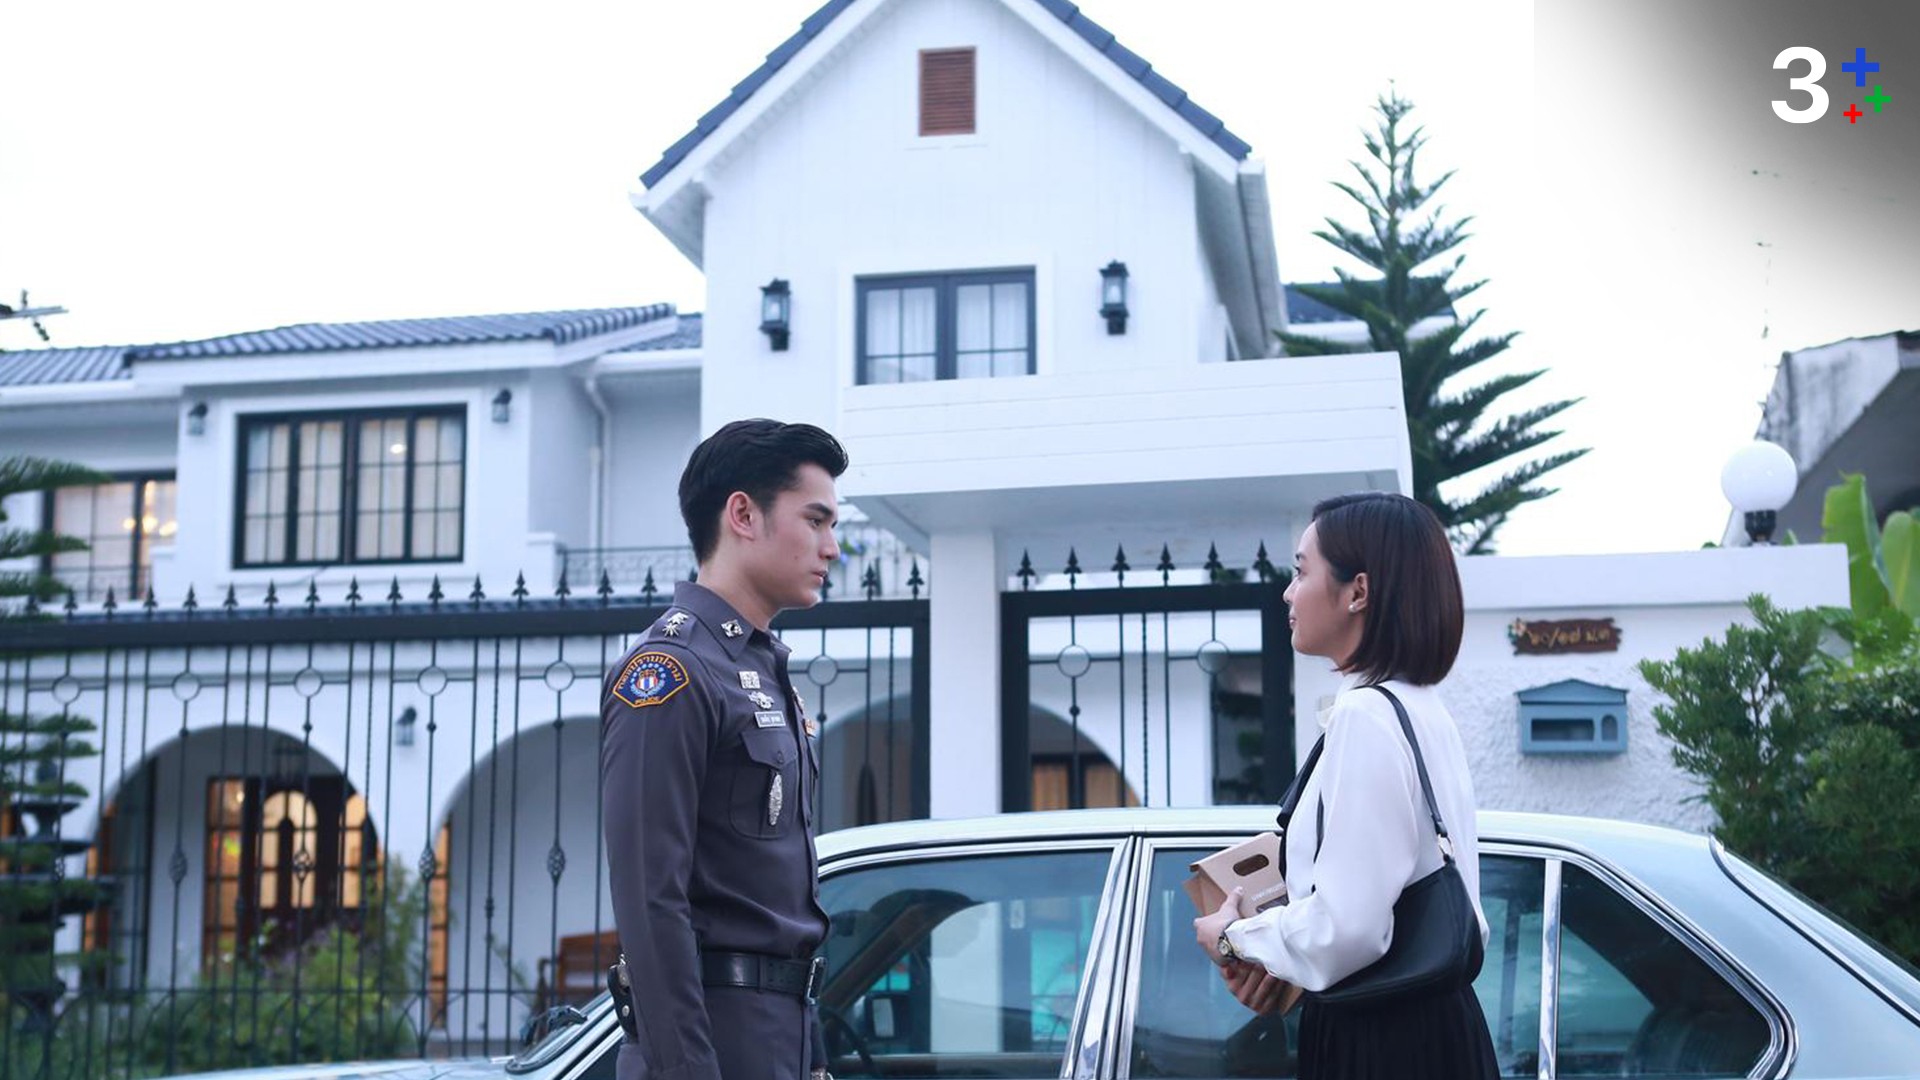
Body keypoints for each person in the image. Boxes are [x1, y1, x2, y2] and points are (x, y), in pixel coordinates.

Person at [1192, 491, 1498, 1080]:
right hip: (1429, 1025)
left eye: (1301, 571)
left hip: (1383, 1038)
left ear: (1358, 592)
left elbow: (1349, 928)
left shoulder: (1367, 716)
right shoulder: (1420, 707)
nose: (1288, 593)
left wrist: (1235, 938)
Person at [601, 418, 849, 1080]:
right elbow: (651, 901)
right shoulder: (670, 671)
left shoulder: (759, 670)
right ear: (743, 514)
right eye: (815, 521)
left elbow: (783, 907)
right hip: (711, 1043)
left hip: (778, 1039)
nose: (832, 547)